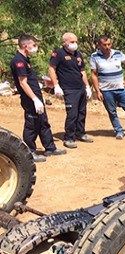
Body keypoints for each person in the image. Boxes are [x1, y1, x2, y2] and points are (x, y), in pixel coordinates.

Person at [9, 34, 66, 162]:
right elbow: (23, 83)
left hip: (36, 96)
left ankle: (50, 147)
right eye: (33, 45)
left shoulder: (25, 59)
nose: (36, 48)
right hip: (30, 98)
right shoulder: (18, 61)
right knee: (32, 124)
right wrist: (34, 99)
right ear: (25, 46)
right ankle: (29, 152)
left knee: (43, 121)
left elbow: (28, 79)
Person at [90, 35, 125, 140]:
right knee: (112, 111)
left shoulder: (118, 53)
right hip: (106, 90)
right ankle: (119, 130)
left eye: (109, 44)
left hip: (121, 88)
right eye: (104, 45)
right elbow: (93, 74)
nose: (107, 47)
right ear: (99, 45)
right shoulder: (95, 56)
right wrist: (98, 91)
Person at [48, 32, 94, 149]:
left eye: (76, 42)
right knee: (72, 114)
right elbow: (51, 69)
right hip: (69, 89)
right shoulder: (58, 53)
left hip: (80, 88)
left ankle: (80, 133)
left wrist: (87, 86)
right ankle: (68, 137)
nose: (75, 44)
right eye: (72, 42)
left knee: (82, 112)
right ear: (65, 42)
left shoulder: (78, 54)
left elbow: (82, 71)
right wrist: (56, 85)